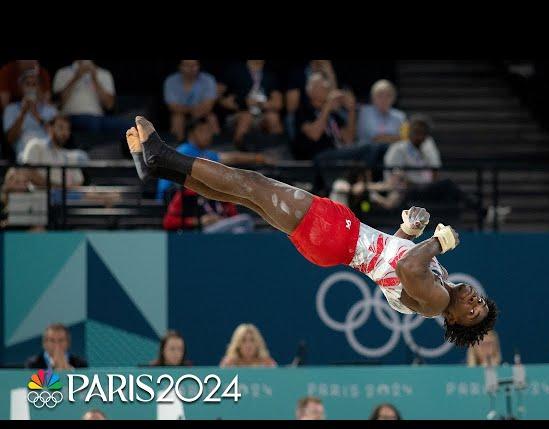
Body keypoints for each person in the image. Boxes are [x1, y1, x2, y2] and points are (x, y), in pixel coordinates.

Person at [126, 116, 498, 347]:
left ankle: (163, 157)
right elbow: (394, 258)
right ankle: (160, 169)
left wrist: (437, 241)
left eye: (471, 314)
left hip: (340, 236)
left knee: (251, 184)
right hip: (340, 241)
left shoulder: (435, 302)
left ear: (452, 321)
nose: (473, 304)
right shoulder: (440, 284)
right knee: (246, 195)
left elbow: (406, 269)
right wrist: (408, 228)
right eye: (480, 304)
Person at [156, 115, 268, 201]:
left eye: (209, 131)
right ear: (192, 133)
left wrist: (257, 157)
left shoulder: (203, 152)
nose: (208, 135)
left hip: (187, 200)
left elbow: (231, 158)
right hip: (171, 200)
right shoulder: (185, 150)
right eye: (203, 131)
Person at [52, 60, 129, 136]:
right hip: (71, 117)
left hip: (98, 118)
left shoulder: (104, 74)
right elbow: (58, 103)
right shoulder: (62, 72)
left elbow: (109, 105)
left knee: (128, 127)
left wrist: (95, 79)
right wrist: (76, 77)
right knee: (91, 123)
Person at [217, 60, 283, 147]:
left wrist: (259, 103)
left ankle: (277, 151)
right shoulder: (235, 70)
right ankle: (238, 152)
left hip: (261, 114)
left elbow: (278, 104)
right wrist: (232, 103)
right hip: (238, 114)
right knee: (246, 117)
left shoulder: (269, 75)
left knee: (273, 118)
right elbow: (217, 95)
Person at [3, 69, 58, 160]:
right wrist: (23, 113)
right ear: (21, 87)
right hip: (25, 155)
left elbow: (58, 136)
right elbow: (10, 139)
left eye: (34, 84)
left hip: (49, 153)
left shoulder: (51, 110)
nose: (31, 88)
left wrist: (36, 115)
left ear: (39, 88)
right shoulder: (10, 109)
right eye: (27, 84)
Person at [163, 60, 218, 142]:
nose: (191, 68)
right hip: (181, 113)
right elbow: (172, 106)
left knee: (211, 118)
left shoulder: (208, 79)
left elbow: (208, 105)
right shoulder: (171, 80)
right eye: (187, 65)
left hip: (202, 113)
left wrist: (196, 112)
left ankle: (215, 148)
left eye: (194, 65)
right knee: (177, 118)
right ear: (180, 66)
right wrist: (191, 110)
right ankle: (178, 147)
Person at [357, 80, 407, 145]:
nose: (384, 99)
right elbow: (375, 137)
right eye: (380, 95)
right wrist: (393, 138)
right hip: (368, 152)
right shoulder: (365, 112)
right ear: (373, 97)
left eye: (388, 95)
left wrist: (387, 138)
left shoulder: (400, 116)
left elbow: (404, 138)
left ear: (393, 98)